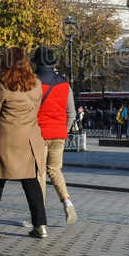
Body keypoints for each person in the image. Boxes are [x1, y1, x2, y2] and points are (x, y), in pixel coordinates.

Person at [0, 47, 50, 239]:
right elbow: (36, 109)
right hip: (30, 138)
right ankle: (41, 225)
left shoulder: (3, 85)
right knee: (31, 183)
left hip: (7, 139)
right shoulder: (37, 84)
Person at [33, 46, 78, 225]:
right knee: (55, 170)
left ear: (36, 62)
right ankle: (68, 203)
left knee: (39, 173)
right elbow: (72, 113)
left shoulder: (33, 83)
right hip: (59, 134)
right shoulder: (64, 83)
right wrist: (63, 129)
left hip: (39, 134)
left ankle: (39, 216)